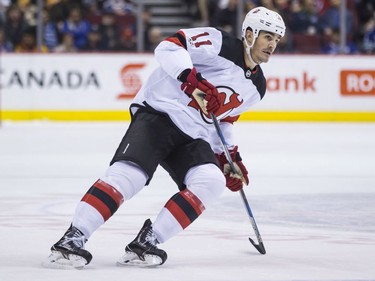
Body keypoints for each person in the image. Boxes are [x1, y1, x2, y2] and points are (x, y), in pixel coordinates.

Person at [42, 6, 285, 269]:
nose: (272, 45)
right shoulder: (219, 42)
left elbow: (224, 120)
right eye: (268, 37)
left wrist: (228, 157)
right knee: (130, 176)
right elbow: (168, 47)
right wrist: (192, 81)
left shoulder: (257, 88)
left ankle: (147, 242)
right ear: (249, 34)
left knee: (211, 180)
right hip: (160, 113)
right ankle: (72, 239)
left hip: (194, 136)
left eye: (276, 40)